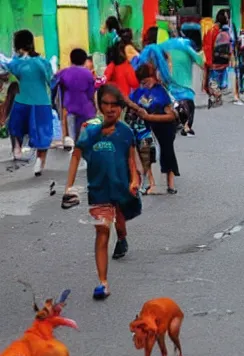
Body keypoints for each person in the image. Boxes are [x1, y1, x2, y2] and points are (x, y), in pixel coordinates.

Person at [63, 84, 141, 300]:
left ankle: (123, 237)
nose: (109, 109)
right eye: (104, 104)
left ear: (120, 108)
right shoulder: (90, 131)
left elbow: (131, 160)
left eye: (114, 105)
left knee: (120, 221)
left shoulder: (126, 132)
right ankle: (103, 283)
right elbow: (77, 155)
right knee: (102, 232)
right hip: (98, 193)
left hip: (121, 189)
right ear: (99, 106)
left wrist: (134, 180)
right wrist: (68, 188)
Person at [128, 64, 181, 195]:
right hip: (147, 129)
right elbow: (131, 104)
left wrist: (149, 116)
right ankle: (152, 183)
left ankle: (170, 184)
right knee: (149, 155)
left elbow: (171, 116)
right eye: (142, 82)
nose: (145, 84)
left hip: (165, 128)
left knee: (167, 154)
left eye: (146, 81)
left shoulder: (161, 92)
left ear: (153, 77)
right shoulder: (139, 92)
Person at [7, 30, 54, 176]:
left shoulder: (16, 63)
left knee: (15, 126)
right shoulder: (43, 62)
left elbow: (10, 71)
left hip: (22, 102)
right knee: (42, 134)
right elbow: (50, 80)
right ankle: (39, 162)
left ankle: (17, 148)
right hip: (41, 103)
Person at [161, 32, 205, 136]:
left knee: (174, 103)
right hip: (185, 85)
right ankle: (186, 127)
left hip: (170, 84)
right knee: (189, 105)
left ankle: (176, 123)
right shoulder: (186, 47)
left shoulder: (166, 47)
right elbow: (200, 61)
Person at [53, 48, 97, 151]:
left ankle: (71, 146)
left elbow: (54, 84)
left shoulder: (63, 73)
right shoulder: (88, 74)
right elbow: (91, 93)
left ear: (71, 59)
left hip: (69, 108)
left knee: (72, 134)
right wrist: (94, 106)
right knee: (84, 134)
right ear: (85, 60)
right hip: (85, 109)